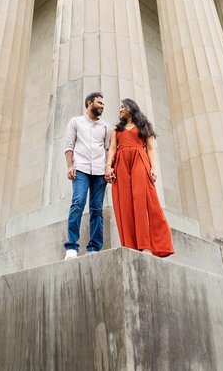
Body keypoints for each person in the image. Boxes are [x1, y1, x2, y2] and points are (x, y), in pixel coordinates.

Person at [105, 98, 174, 257]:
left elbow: (150, 149)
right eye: (119, 107)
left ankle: (145, 246)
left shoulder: (144, 127)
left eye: (123, 107)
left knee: (141, 201)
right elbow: (113, 149)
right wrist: (108, 166)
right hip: (121, 163)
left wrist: (153, 168)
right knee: (125, 203)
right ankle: (130, 245)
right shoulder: (117, 129)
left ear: (131, 107)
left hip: (139, 160)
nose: (120, 110)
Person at [63, 92, 110, 259]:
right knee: (78, 202)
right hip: (80, 168)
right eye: (99, 103)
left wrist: (108, 168)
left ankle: (94, 247)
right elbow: (68, 145)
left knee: (96, 208)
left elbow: (107, 150)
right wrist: (70, 166)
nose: (102, 106)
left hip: (99, 171)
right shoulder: (75, 122)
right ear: (89, 103)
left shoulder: (105, 127)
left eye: (103, 104)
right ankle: (72, 246)